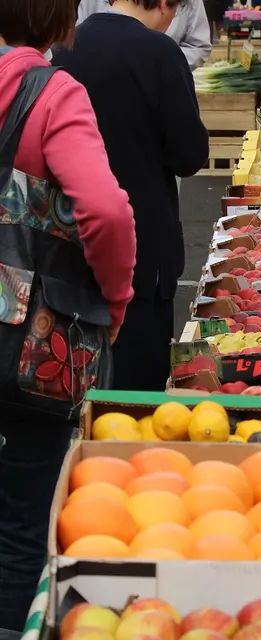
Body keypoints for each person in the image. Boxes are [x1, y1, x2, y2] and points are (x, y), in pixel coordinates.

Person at [0, 0, 136, 631]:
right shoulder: (52, 94)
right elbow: (105, 212)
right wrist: (116, 299)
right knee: (24, 514)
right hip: (29, 342)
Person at [53, 0, 210, 392]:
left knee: (71, 374)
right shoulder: (160, 53)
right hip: (143, 252)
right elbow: (189, 154)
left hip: (72, 236)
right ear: (161, 4)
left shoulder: (66, 47)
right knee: (135, 393)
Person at [76, 0, 212, 69]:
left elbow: (199, 46)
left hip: (164, 81)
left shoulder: (167, 53)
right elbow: (80, 41)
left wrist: (162, 64)